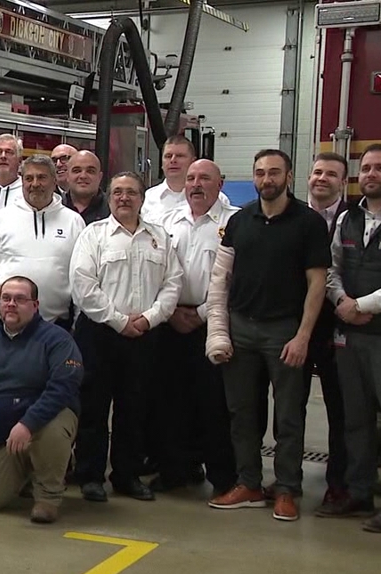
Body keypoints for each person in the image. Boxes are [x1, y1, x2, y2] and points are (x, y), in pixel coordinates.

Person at [205, 150, 330, 522]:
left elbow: (317, 283)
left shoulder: (308, 223)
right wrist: (221, 332)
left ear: (288, 177)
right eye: (260, 173)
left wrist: (303, 336)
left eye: (274, 172)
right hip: (241, 328)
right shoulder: (239, 221)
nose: (266, 179)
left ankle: (287, 488)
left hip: (285, 331)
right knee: (242, 412)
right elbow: (221, 280)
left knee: (289, 415)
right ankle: (249, 484)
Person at [70, 171, 182, 503]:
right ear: (109, 196)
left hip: (145, 336)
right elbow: (83, 286)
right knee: (93, 408)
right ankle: (90, 476)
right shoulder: (93, 235)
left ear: (142, 199)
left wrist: (149, 319)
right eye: (117, 191)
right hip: (99, 333)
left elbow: (172, 284)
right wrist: (119, 321)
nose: (124, 198)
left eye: (131, 192)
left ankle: (126, 475)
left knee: (134, 409)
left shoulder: (159, 238)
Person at [149, 159, 239, 496]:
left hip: (214, 323)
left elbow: (236, 279)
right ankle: (176, 470)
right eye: (191, 179)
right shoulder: (167, 221)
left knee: (214, 403)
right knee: (171, 401)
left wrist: (202, 313)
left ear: (220, 183)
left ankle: (222, 477)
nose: (196, 185)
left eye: (204, 178)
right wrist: (170, 311)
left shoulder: (234, 222)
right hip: (171, 321)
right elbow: (156, 271)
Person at [0, 276, 83, 523]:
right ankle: (27, 470)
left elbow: (64, 386)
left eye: (20, 299)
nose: (11, 304)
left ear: (35, 305)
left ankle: (48, 496)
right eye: (5, 298)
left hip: (40, 424)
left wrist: (28, 423)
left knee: (52, 429)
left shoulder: (58, 339)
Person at [325, 144, 381, 530]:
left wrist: (360, 305)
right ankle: (360, 493)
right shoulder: (348, 219)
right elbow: (332, 268)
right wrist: (342, 302)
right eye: (368, 168)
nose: (372, 174)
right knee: (356, 419)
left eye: (379, 168)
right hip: (349, 334)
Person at [0, 155, 84, 329]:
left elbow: (81, 274)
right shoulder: (1, 218)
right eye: (29, 178)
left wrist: (77, 319)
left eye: (42, 177)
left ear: (54, 181)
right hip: (4, 321)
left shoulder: (73, 221)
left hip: (56, 324)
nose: (35, 184)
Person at [302, 152, 350, 511]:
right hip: (296, 329)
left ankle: (339, 483)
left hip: (340, 328)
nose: (322, 178)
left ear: (343, 183)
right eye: (317, 172)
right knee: (289, 406)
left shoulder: (354, 219)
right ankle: (286, 477)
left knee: (341, 409)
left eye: (331, 174)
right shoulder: (292, 217)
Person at [143, 135, 229, 219]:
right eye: (168, 156)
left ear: (193, 162)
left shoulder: (217, 198)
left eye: (180, 156)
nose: (173, 160)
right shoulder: (148, 197)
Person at [62, 151, 109, 225]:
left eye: (90, 171)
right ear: (67, 176)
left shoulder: (112, 208)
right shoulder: (56, 206)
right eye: (77, 171)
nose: (83, 176)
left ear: (100, 177)